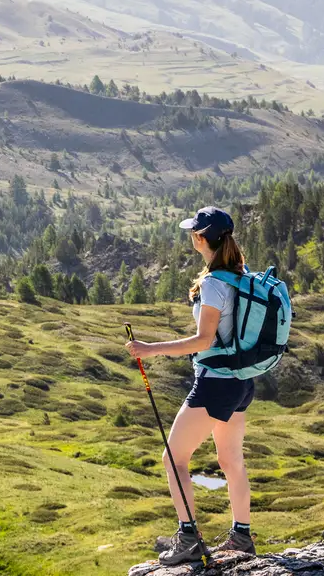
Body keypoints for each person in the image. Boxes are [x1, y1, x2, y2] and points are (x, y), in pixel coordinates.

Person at [125, 205, 255, 563]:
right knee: (231, 461)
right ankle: (242, 537)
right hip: (243, 382)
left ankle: (189, 538)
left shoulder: (214, 283)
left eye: (193, 233)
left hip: (216, 383)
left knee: (173, 459)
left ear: (201, 238)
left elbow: (204, 340)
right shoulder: (241, 277)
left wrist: (151, 349)